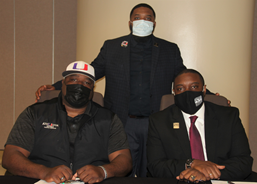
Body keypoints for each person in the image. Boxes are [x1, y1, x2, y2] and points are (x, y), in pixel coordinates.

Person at [34, 3, 186, 177]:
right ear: (130, 22)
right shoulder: (112, 47)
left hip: (155, 122)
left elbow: (184, 77)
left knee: (152, 172)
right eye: (137, 18)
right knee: (122, 172)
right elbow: (89, 74)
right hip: (122, 121)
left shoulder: (169, 49)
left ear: (154, 23)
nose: (142, 21)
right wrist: (55, 86)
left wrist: (208, 93)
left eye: (148, 18)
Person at [2, 61, 132, 184]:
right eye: (74, 80)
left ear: (92, 89)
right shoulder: (35, 113)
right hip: (41, 180)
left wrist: (103, 171)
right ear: (63, 84)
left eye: (87, 82)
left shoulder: (108, 119)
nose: (80, 85)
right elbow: (10, 156)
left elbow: (124, 159)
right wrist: (44, 172)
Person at [147, 69, 253, 181]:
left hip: (219, 180)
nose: (187, 92)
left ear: (204, 89)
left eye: (194, 87)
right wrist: (191, 164)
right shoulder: (160, 121)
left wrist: (208, 173)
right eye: (180, 89)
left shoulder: (228, 117)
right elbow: (156, 166)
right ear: (174, 92)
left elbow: (243, 161)